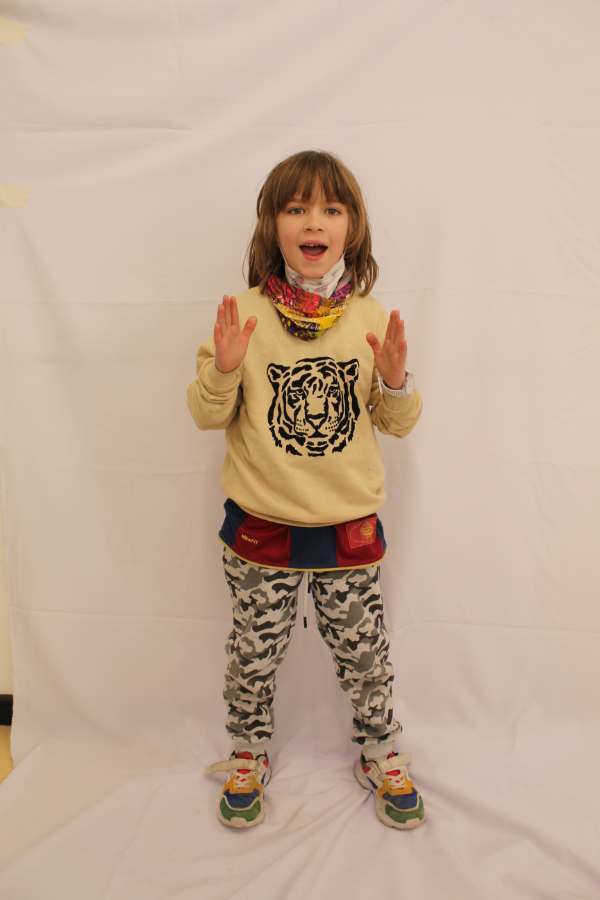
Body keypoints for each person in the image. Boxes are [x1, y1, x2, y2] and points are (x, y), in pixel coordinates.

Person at [186, 149, 425, 831]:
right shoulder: (243, 316)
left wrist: (397, 382)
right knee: (252, 653)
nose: (313, 222)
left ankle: (379, 750)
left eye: (330, 208)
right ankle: (248, 750)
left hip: (348, 526)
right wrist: (224, 369)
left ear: (352, 226)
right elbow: (204, 413)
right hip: (261, 528)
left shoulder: (371, 319)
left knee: (365, 653)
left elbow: (397, 423)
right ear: (274, 224)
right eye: (296, 208)